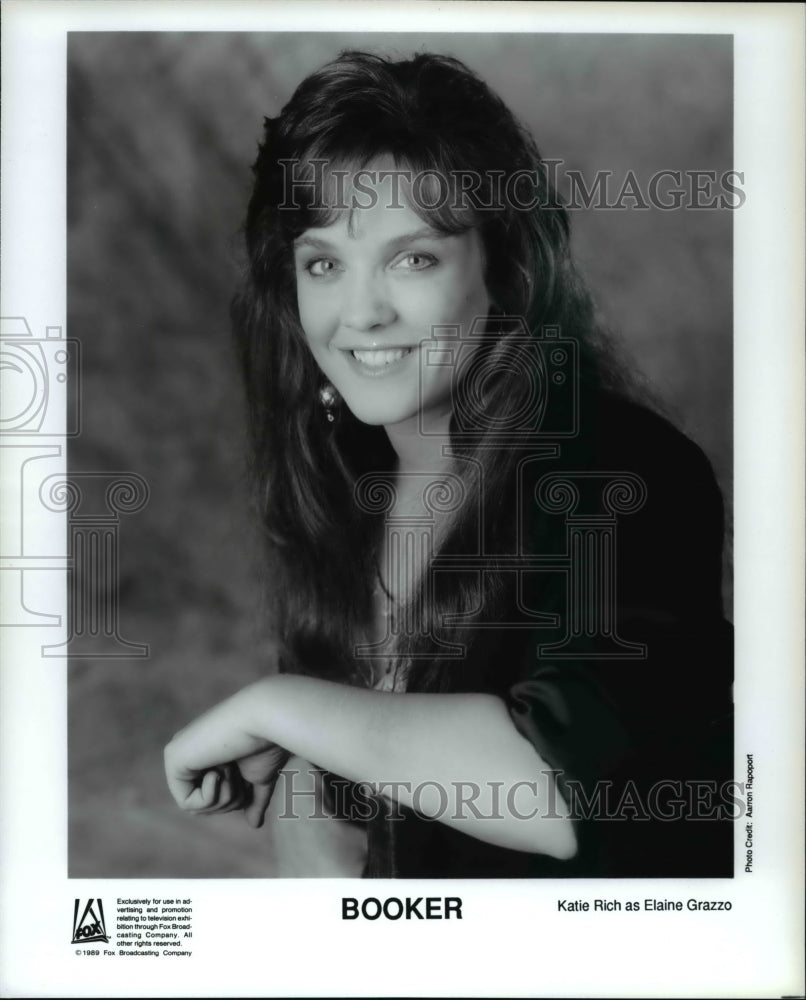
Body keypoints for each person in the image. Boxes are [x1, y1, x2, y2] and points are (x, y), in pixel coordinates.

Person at [164, 51, 734, 878]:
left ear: (503, 270)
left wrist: (281, 710)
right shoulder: (345, 484)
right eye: (324, 263)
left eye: (413, 258)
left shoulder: (622, 468)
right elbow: (348, 808)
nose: (360, 313)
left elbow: (560, 792)